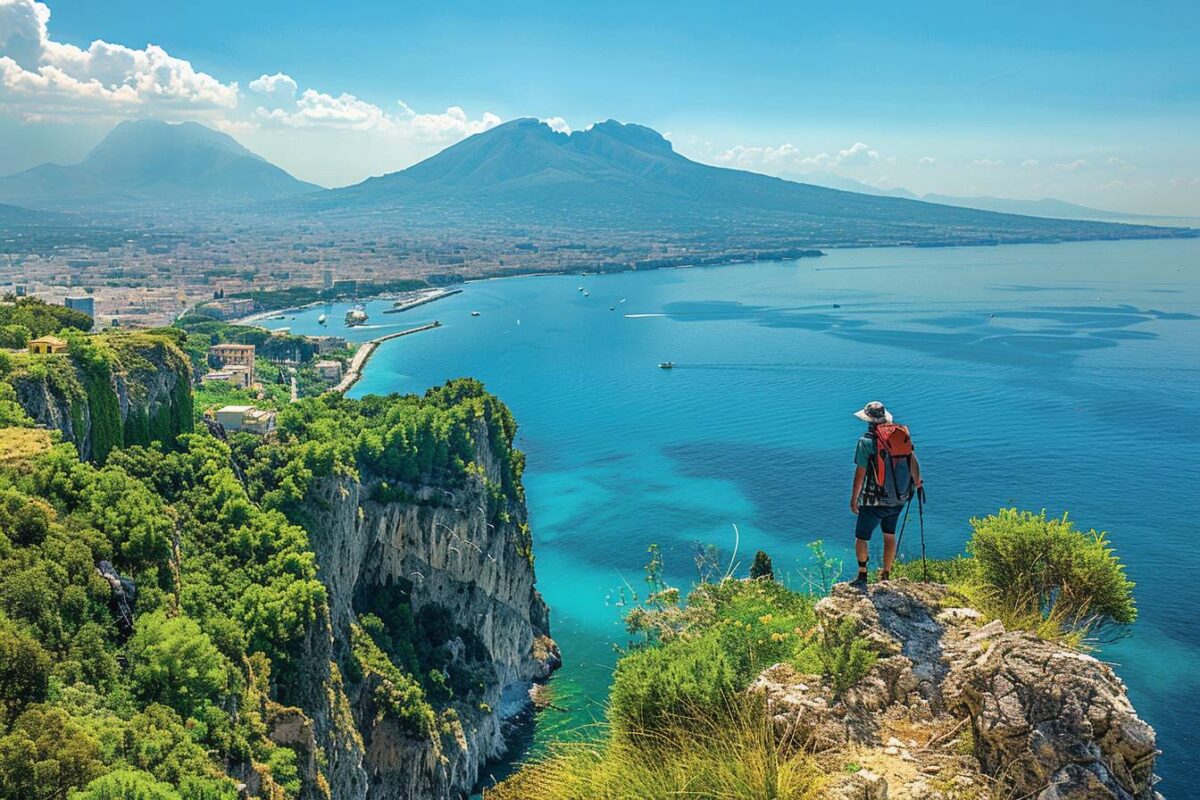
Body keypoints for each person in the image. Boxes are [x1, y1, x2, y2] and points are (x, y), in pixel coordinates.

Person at [850, 401, 921, 584]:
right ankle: (886, 573)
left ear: (868, 420)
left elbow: (861, 472)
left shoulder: (866, 442)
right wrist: (917, 484)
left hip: (874, 500)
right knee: (889, 534)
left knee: (861, 537)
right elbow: (913, 461)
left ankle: (862, 573)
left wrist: (854, 498)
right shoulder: (900, 436)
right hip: (899, 497)